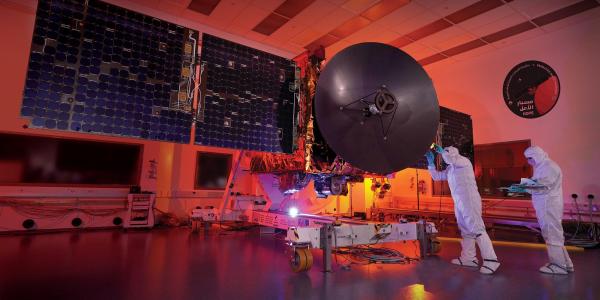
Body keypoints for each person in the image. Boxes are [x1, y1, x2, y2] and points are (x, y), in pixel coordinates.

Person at [425, 145, 500, 274]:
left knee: (477, 228)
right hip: (459, 202)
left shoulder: (464, 162)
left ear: (453, 153)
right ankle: (469, 258)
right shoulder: (450, 169)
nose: (444, 155)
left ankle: (491, 260)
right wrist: (431, 163)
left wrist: (443, 152)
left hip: (469, 200)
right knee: (465, 230)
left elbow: (451, 159)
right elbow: (437, 177)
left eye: (447, 153)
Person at [508, 146, 574, 275]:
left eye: (530, 158)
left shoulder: (549, 167)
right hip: (546, 206)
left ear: (536, 155)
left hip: (548, 206)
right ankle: (566, 264)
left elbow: (542, 186)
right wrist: (522, 186)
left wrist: (521, 188)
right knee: (554, 235)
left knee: (552, 235)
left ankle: (558, 266)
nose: (529, 161)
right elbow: (537, 182)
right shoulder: (543, 166)